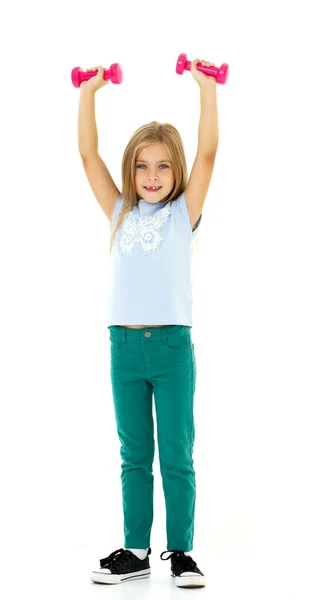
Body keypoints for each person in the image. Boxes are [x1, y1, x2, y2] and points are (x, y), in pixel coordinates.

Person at [77, 57, 219, 588]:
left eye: (162, 166)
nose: (152, 176)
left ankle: (180, 551)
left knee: (176, 451)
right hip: (123, 348)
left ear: (175, 171)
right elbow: (88, 154)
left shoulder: (184, 213)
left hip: (172, 349)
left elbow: (208, 151)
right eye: (142, 166)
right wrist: (88, 94)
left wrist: (206, 88)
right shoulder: (118, 213)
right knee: (133, 452)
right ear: (130, 171)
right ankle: (136, 550)